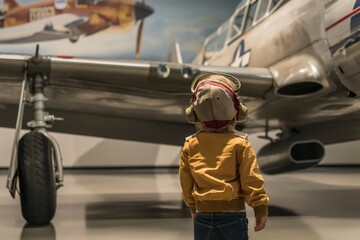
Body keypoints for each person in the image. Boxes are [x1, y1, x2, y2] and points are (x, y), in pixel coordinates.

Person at [179, 72, 269, 240]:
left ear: (194, 113)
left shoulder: (190, 144)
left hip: (202, 217)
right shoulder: (241, 144)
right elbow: (251, 180)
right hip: (233, 216)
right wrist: (260, 208)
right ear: (237, 112)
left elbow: (186, 183)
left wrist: (193, 207)